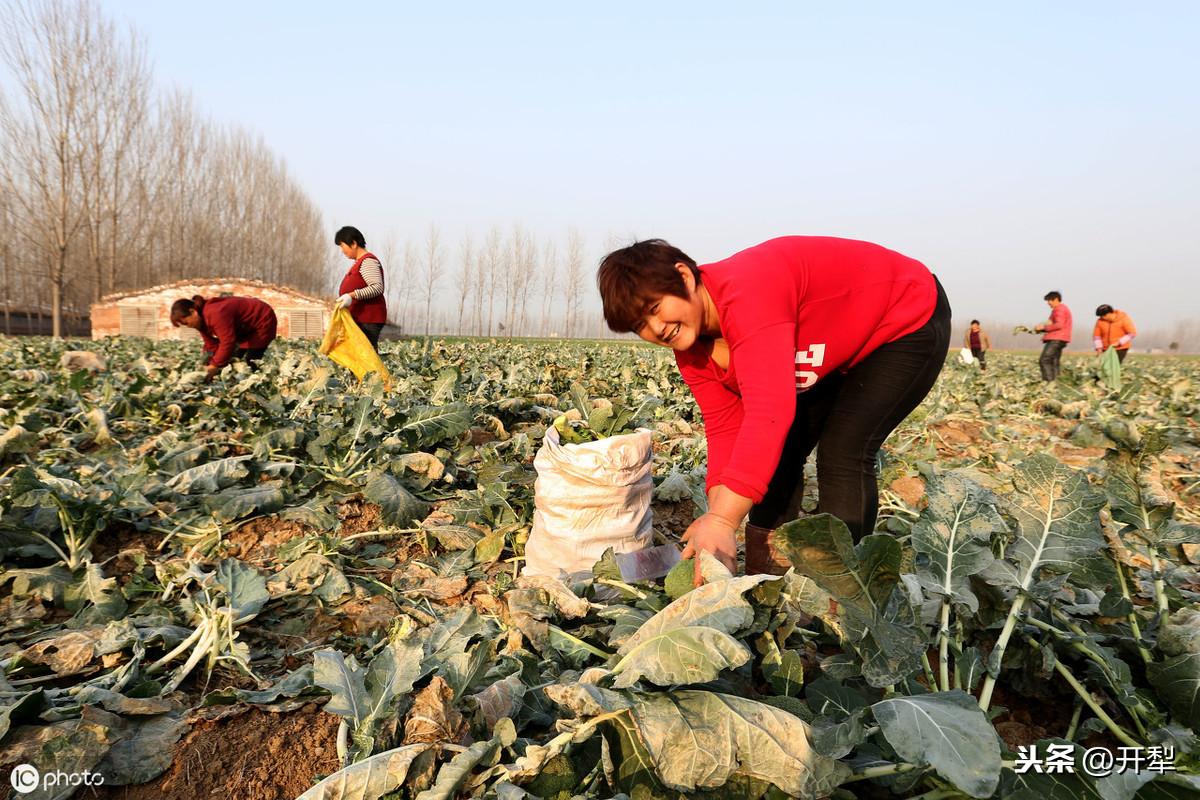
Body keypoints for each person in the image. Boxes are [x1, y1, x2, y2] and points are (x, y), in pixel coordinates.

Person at [597, 236, 951, 583]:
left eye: (655, 309)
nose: (656, 328)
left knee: (843, 450)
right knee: (779, 453)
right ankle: (765, 578)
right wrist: (716, 519)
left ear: (685, 277)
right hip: (840, 344)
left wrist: (723, 521)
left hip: (904, 319)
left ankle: (843, 594)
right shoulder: (692, 352)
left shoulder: (748, 291)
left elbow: (770, 412)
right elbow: (725, 428)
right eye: (640, 325)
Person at [170, 295, 278, 384]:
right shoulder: (200, 320)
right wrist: (207, 364)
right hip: (244, 328)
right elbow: (210, 345)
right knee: (234, 360)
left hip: (261, 319)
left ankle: (259, 385)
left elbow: (228, 342)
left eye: (185, 322)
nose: (188, 326)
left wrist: (214, 366)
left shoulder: (215, 312)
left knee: (251, 360)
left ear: (193, 311)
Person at [334, 226, 387, 351]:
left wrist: (351, 295)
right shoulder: (358, 263)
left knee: (365, 356)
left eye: (342, 246)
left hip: (368, 319)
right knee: (360, 357)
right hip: (360, 319)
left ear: (353, 243)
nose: (342, 250)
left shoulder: (368, 261)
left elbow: (377, 287)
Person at [1034, 291, 1072, 381]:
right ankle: (1056, 383)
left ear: (1056, 299)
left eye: (1049, 300)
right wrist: (1041, 328)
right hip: (1061, 338)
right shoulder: (1060, 309)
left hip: (1056, 339)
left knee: (1044, 360)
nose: (1048, 303)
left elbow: (1059, 325)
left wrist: (1044, 327)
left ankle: (1049, 383)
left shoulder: (1059, 309)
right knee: (1054, 362)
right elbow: (1051, 323)